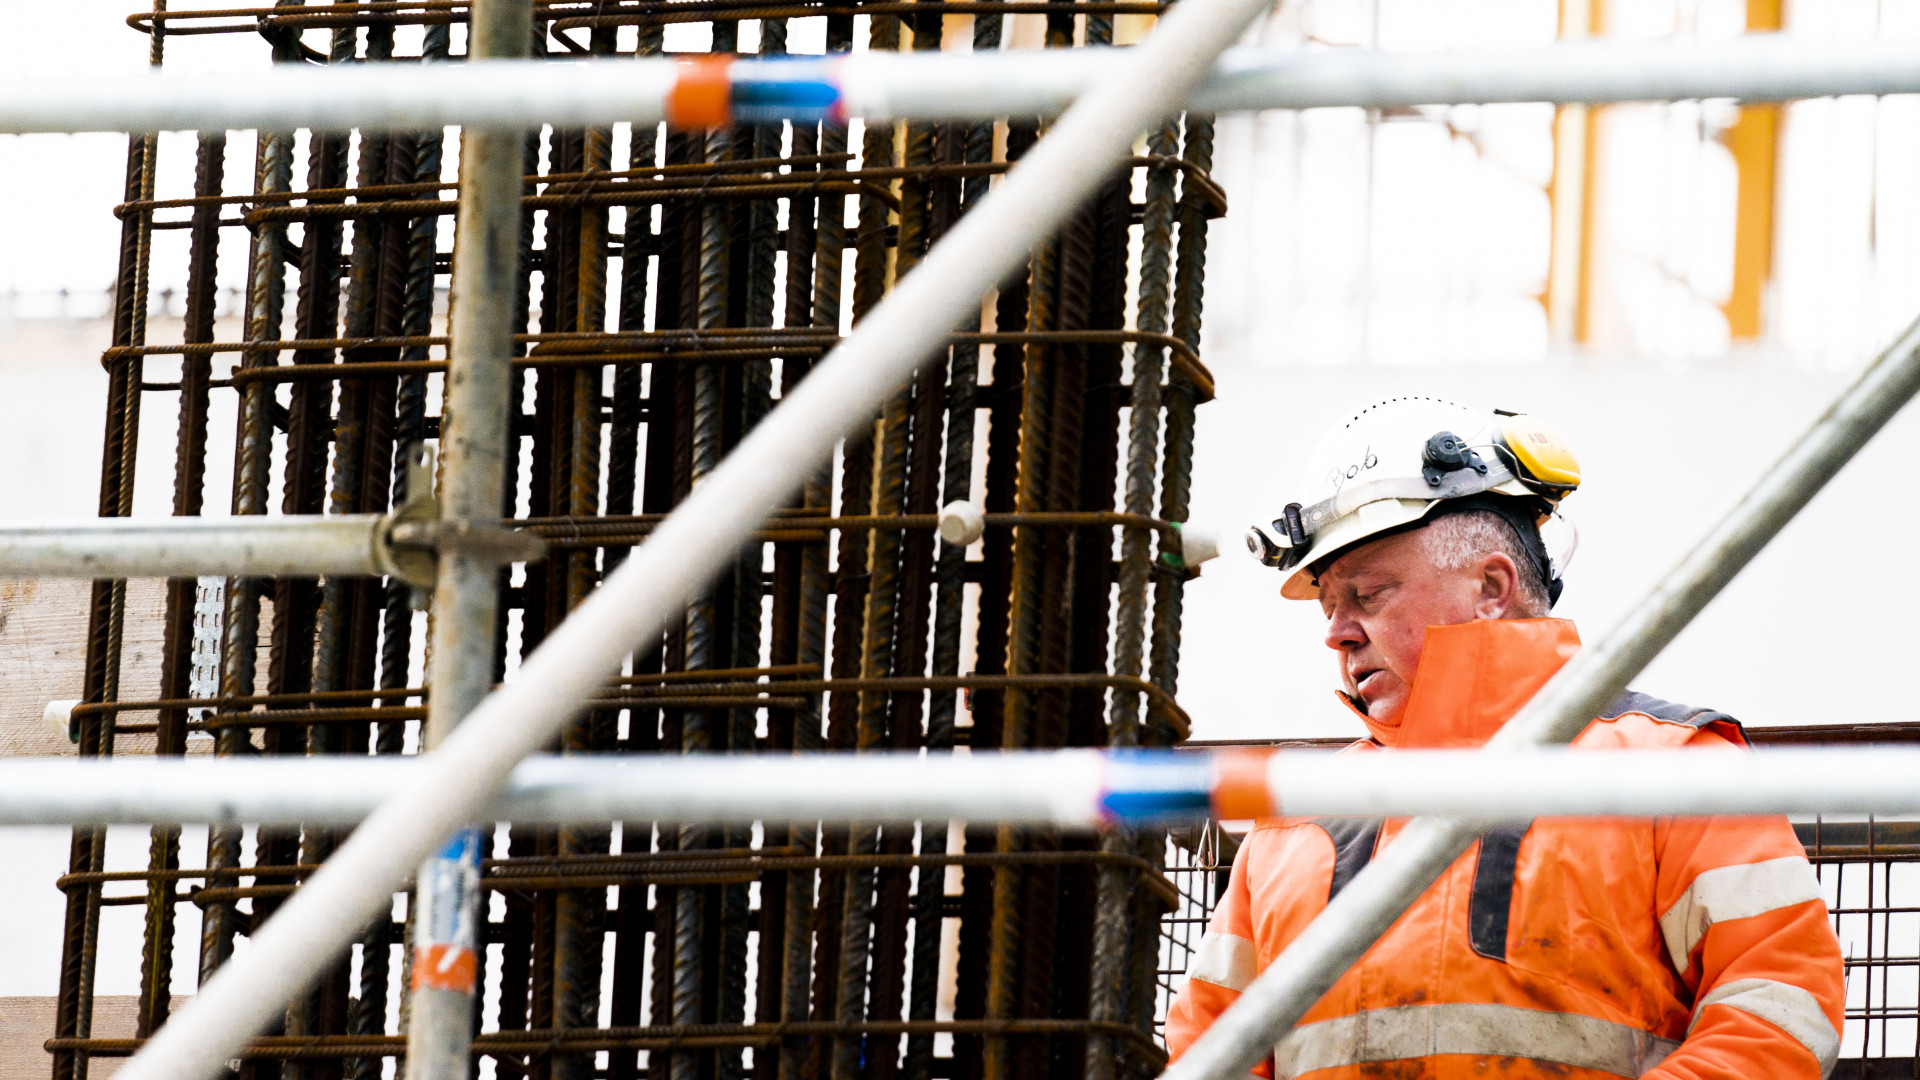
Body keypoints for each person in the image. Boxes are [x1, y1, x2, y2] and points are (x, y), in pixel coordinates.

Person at [1166, 397, 1845, 1079]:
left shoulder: (1675, 771)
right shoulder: (1292, 823)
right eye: (1328, 607)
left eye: (1368, 595)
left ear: (1493, 586)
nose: (1337, 632)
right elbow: (1206, 1052)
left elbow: (1778, 1008)